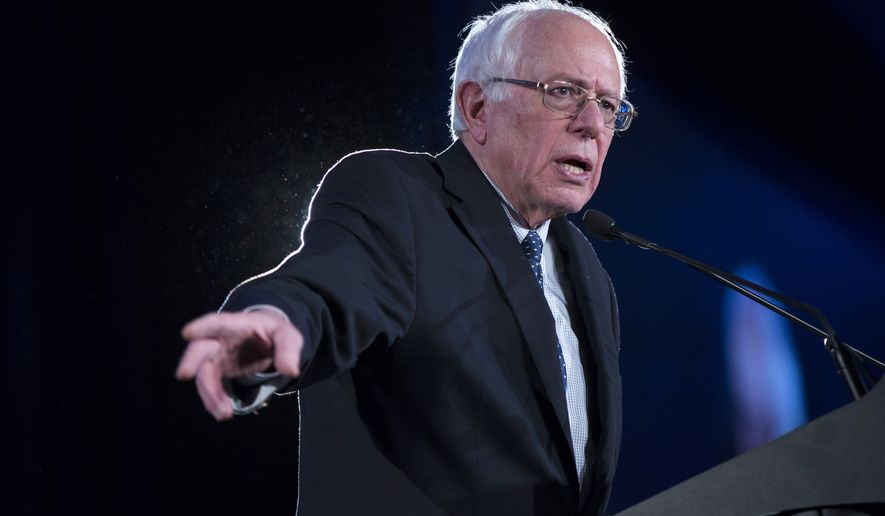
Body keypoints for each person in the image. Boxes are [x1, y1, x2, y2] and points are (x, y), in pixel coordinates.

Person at [176, 1, 637, 514]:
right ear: (477, 107)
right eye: (565, 93)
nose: (593, 124)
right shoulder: (398, 197)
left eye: (610, 105)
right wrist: (273, 320)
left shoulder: (586, 269)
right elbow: (330, 285)